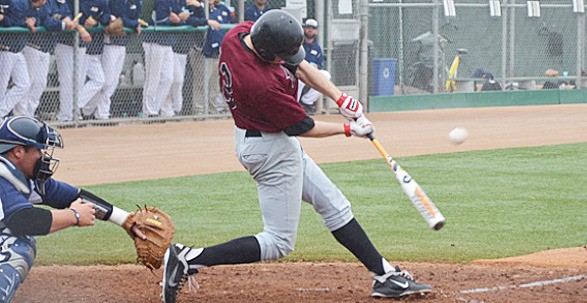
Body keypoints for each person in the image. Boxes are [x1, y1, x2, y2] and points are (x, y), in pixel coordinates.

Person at [160, 10, 432, 303]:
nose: (287, 59)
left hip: (261, 139)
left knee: (335, 206)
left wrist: (341, 99)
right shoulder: (261, 85)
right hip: (272, 150)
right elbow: (302, 126)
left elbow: (299, 66)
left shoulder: (239, 35)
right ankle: (188, 258)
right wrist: (348, 129)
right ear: (267, 53)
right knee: (278, 241)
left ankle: (385, 276)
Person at [0, 116, 146, 302]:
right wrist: (74, 216)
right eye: (38, 150)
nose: (43, 157)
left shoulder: (22, 176)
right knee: (15, 247)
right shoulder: (2, 179)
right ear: (18, 151)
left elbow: (74, 196)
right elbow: (24, 220)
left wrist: (124, 220)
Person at [18, 0, 81, 118]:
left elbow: (67, 15)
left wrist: (67, 20)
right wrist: (63, 24)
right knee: (27, 84)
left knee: (40, 84)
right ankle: (20, 116)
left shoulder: (62, 3)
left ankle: (29, 115)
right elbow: (47, 21)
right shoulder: (47, 2)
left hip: (46, 49)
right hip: (33, 47)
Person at [82, 0, 142, 120]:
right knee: (107, 82)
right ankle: (90, 110)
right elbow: (121, 19)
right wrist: (135, 23)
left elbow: (136, 18)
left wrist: (135, 23)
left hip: (123, 44)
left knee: (113, 83)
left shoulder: (137, 2)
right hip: (109, 43)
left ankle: (100, 112)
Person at [141, 0, 189, 118]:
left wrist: (177, 18)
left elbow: (182, 18)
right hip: (154, 42)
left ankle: (155, 109)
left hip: (168, 43)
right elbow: (159, 20)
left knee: (168, 78)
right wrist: (176, 19)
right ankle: (148, 112)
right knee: (153, 78)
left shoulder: (177, 1)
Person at [54, 0, 92, 122]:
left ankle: (74, 113)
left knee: (79, 81)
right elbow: (66, 17)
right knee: (67, 81)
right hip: (65, 43)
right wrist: (79, 28)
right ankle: (65, 116)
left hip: (81, 45)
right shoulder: (67, 3)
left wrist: (94, 21)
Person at [76, 0, 112, 120]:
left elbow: (106, 17)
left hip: (94, 49)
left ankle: (77, 106)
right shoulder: (79, 2)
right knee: (78, 80)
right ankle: (75, 109)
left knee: (99, 80)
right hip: (81, 47)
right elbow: (78, 18)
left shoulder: (101, 2)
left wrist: (96, 22)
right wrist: (85, 22)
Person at [0, 0, 36, 119]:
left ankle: (1, 112)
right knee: (1, 85)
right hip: (4, 48)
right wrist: (24, 23)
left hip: (17, 49)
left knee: (23, 84)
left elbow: (36, 15)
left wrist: (33, 20)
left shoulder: (24, 2)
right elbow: (7, 21)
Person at [200, 0, 233, 114]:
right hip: (204, 51)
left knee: (214, 83)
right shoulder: (200, 8)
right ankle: (199, 111)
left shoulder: (219, 10)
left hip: (217, 51)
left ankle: (212, 110)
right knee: (202, 82)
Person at [297, 18, 330, 115]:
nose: (310, 30)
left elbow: (319, 65)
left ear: (316, 31)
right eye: (308, 27)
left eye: (313, 28)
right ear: (304, 29)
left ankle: (306, 101)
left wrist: (315, 67)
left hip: (311, 73)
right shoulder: (298, 44)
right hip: (298, 71)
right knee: (300, 81)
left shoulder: (317, 47)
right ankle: (295, 104)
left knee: (326, 76)